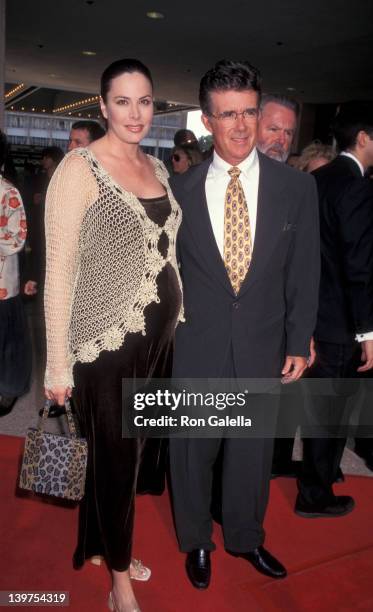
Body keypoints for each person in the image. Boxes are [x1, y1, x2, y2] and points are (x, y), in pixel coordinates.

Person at [169, 59, 320, 589]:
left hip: (263, 343)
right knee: (191, 453)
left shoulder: (296, 189)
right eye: (227, 114)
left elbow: (305, 270)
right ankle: (195, 542)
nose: (241, 126)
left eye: (250, 112)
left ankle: (245, 537)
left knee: (252, 454)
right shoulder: (177, 190)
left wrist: (300, 338)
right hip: (196, 345)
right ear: (207, 120)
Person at [44, 58, 183, 612]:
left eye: (144, 101)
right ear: (102, 107)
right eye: (122, 101)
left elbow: (164, 251)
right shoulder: (80, 168)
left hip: (159, 339)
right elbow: (60, 268)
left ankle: (101, 546)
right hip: (107, 340)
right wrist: (57, 365)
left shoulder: (157, 167)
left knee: (129, 452)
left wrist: (181, 310)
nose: (135, 112)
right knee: (118, 455)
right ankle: (119, 579)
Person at [296, 101, 373, 518]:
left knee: (319, 410)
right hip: (342, 322)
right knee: (331, 414)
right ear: (362, 139)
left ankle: (319, 478)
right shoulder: (357, 186)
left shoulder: (317, 179)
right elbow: (358, 265)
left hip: (314, 315)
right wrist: (368, 332)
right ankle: (315, 493)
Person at [0, 130, 32, 416]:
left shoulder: (8, 191)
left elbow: (16, 238)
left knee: (9, 348)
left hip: (2, 287)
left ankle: (7, 393)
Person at [257, 94, 299, 162]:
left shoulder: (289, 172)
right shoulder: (235, 169)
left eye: (288, 133)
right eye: (274, 129)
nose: (281, 140)